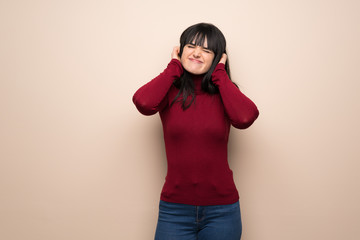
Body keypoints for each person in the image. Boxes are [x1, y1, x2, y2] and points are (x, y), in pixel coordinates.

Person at [132, 22, 259, 240]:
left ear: (218, 58)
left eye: (207, 50)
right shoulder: (169, 90)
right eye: (191, 46)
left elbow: (245, 117)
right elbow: (143, 103)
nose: (197, 53)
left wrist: (220, 75)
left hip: (222, 211)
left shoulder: (225, 93)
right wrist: (173, 68)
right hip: (174, 210)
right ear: (180, 51)